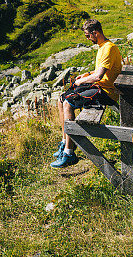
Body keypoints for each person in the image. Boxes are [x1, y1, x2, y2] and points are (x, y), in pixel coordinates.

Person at [51, 19, 122, 168]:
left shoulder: (108, 48)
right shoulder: (103, 46)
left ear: (95, 33)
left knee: (68, 103)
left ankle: (69, 153)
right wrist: (85, 75)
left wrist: (81, 82)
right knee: (61, 99)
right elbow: (97, 72)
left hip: (106, 92)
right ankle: (65, 142)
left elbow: (98, 77)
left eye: (87, 36)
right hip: (101, 87)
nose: (88, 39)